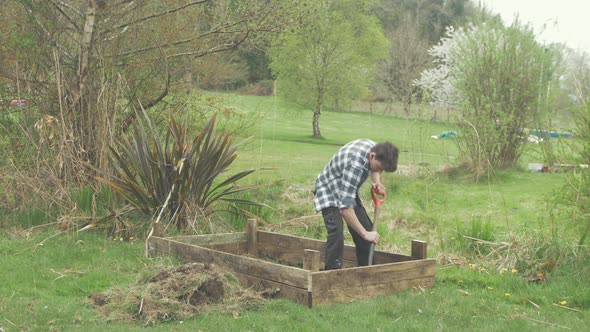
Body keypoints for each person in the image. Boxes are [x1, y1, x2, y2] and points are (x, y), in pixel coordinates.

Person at [314, 139, 398, 270]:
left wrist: (376, 182)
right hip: (329, 189)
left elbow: (374, 169)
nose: (379, 171)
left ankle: (366, 274)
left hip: (346, 188)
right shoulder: (355, 166)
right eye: (379, 168)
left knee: (367, 231)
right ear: (372, 156)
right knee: (337, 234)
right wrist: (364, 233)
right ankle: (332, 277)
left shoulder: (376, 149)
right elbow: (345, 209)